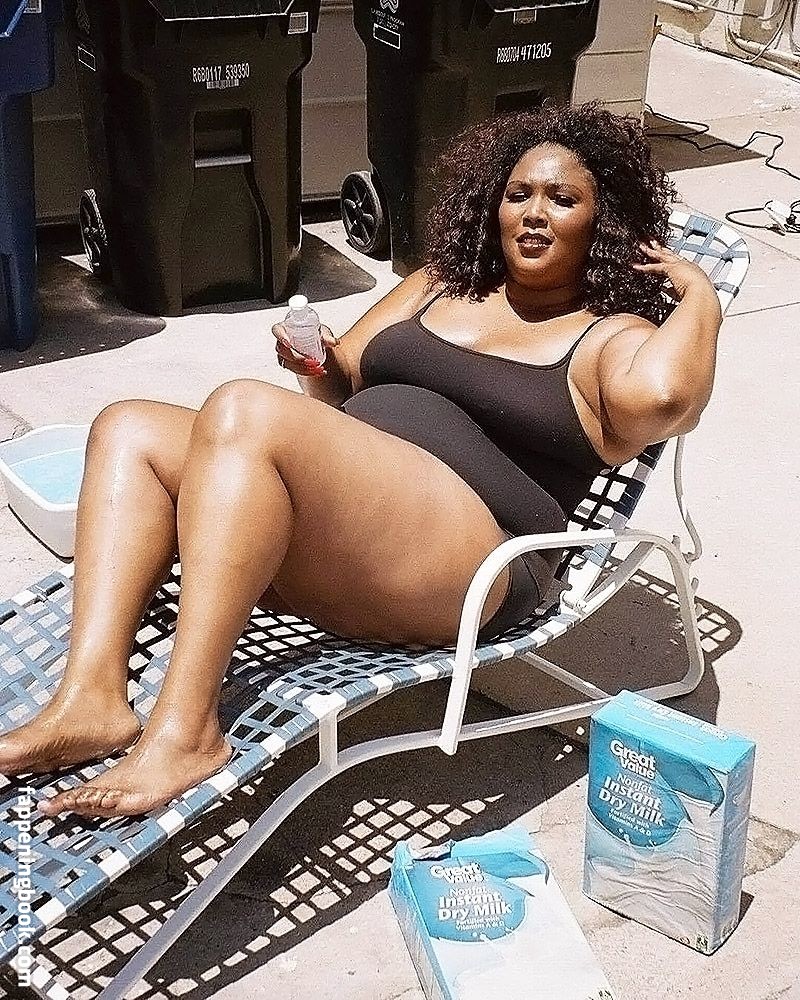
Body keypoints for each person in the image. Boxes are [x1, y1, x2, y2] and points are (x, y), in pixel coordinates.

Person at [0, 102, 723, 817]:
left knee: (246, 410)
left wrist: (699, 298)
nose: (534, 213)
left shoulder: (610, 337)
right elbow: (342, 374)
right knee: (128, 427)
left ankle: (186, 732)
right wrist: (314, 359)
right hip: (351, 534)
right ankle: (90, 699)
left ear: (604, 220)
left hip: (475, 563)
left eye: (562, 199)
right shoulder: (437, 284)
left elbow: (664, 400)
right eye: (518, 194)